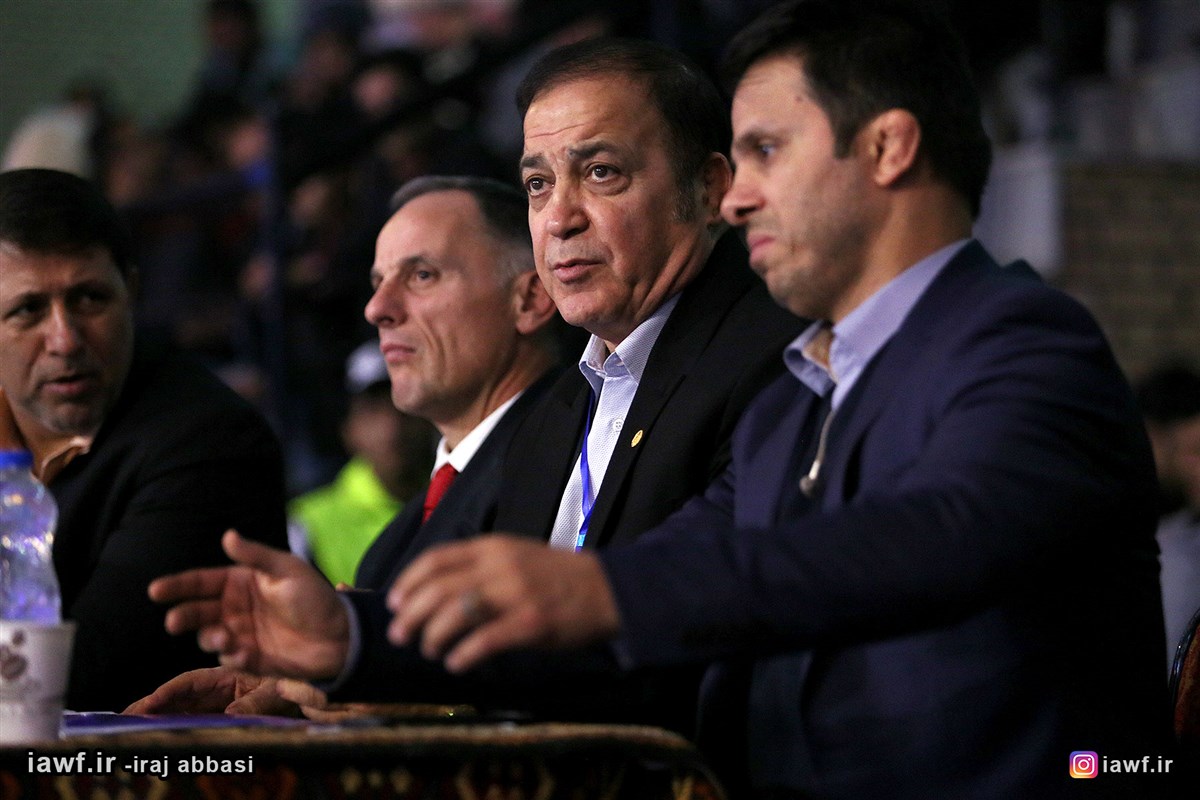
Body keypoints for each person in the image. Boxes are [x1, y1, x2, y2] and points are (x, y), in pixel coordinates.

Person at [382, 3, 1171, 798]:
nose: (736, 199)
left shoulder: (1029, 341)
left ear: (887, 148)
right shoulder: (790, 406)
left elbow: (939, 534)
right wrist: (357, 643)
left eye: (765, 151)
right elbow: (652, 580)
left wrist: (602, 592)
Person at [145, 39, 801, 733]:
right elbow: (501, 641)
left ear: (709, 189)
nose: (560, 218)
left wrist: (395, 681)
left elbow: (680, 635)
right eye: (538, 185)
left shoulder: (770, 362)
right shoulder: (562, 408)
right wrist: (331, 662)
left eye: (601, 173)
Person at [128, 174, 561, 715]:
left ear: (529, 298)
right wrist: (297, 679)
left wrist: (362, 675)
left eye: (421, 275)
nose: (377, 308)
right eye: (378, 281)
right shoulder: (393, 545)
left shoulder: (571, 462)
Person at [0, 167, 287, 711]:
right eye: (29, 310)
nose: (65, 339)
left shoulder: (209, 442)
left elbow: (78, 674)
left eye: (90, 299)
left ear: (130, 291)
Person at [288, 341, 435, 587]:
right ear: (348, 431)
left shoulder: (467, 498)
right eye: (372, 411)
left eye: (405, 407)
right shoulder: (305, 527)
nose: (392, 428)